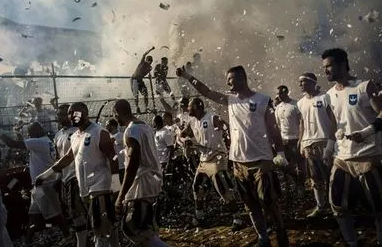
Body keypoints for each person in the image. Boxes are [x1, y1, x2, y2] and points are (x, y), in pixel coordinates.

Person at [176, 65, 289, 247]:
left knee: (268, 201)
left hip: (261, 161)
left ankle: (281, 233)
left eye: (230, 79)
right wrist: (188, 76)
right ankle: (263, 238)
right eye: (227, 79)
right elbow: (206, 91)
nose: (227, 83)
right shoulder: (230, 100)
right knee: (250, 204)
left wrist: (281, 153)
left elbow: (273, 129)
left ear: (241, 79)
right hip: (238, 163)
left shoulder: (263, 100)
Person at [322, 48, 382, 247]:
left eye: (329, 66)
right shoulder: (328, 95)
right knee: (338, 206)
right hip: (342, 159)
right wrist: (329, 148)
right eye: (324, 68)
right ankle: (351, 243)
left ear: (342, 64)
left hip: (367, 157)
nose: (326, 71)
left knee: (379, 206)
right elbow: (333, 124)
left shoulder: (364, 87)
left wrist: (365, 133)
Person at [35, 102, 120, 247]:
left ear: (86, 113)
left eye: (77, 112)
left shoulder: (99, 132)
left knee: (100, 229)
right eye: (70, 113)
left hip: (100, 188)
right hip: (85, 189)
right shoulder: (74, 136)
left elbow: (114, 158)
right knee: (108, 226)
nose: (73, 115)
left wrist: (116, 187)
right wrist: (44, 175)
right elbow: (67, 158)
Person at [0, 122, 71, 246]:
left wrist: (0, 132)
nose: (28, 136)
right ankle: (27, 240)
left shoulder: (38, 143)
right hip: (39, 185)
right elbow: (23, 144)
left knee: (56, 213)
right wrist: (18, 134)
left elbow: (12, 144)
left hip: (45, 184)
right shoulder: (45, 141)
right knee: (33, 215)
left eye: (29, 133)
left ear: (34, 133)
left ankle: (67, 235)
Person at [181, 98, 243, 231]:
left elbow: (225, 126)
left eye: (190, 107)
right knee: (197, 187)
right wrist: (186, 139)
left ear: (197, 107)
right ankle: (200, 217)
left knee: (222, 187)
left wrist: (229, 139)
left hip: (217, 157)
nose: (187, 109)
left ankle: (237, 217)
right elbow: (182, 134)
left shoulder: (211, 117)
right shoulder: (191, 121)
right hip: (203, 159)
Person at [112, 99, 167, 247]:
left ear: (117, 113)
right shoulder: (144, 126)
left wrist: (121, 195)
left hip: (142, 185)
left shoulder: (131, 131)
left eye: (114, 114)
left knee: (133, 228)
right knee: (148, 228)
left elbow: (132, 165)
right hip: (151, 181)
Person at [297, 73, 336, 217]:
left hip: (324, 140)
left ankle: (335, 204)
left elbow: (333, 120)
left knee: (330, 175)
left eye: (303, 82)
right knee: (315, 176)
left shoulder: (324, 97)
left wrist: (332, 140)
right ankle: (320, 206)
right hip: (309, 143)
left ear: (312, 82)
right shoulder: (300, 102)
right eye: (299, 82)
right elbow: (301, 123)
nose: (300, 84)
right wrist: (301, 142)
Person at [54, 104, 88, 247]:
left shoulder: (78, 132)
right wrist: (58, 178)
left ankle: (83, 242)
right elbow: (58, 158)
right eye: (59, 115)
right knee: (74, 213)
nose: (60, 117)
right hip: (66, 178)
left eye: (63, 114)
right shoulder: (58, 135)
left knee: (77, 213)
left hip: (78, 177)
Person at [274, 85, 303, 197]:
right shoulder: (278, 107)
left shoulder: (296, 105)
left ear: (286, 93)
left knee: (299, 165)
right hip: (284, 140)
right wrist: (278, 141)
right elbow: (277, 125)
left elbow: (301, 123)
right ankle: (293, 182)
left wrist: (301, 139)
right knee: (285, 165)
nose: (278, 96)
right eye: (277, 94)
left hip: (295, 139)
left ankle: (300, 186)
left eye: (281, 93)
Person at [131, 46, 155, 113]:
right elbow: (144, 54)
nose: (150, 62)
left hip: (140, 81)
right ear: (146, 60)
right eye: (149, 60)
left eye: (151, 61)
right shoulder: (142, 63)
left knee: (145, 93)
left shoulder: (150, 68)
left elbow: (149, 73)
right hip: (134, 79)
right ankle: (137, 107)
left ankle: (146, 107)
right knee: (136, 94)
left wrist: (150, 76)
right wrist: (151, 49)